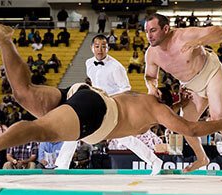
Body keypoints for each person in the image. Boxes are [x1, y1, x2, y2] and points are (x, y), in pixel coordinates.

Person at [0, 21, 222, 177]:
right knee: (42, 129)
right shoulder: (158, 111)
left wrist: (177, 104)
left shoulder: (147, 100)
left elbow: (163, 104)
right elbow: (190, 129)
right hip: (98, 116)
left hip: (84, 95)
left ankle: (5, 41)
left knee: (23, 93)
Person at [144, 14, 222, 182]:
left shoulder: (184, 35)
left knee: (220, 120)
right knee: (185, 124)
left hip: (212, 74)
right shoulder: (151, 54)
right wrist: (152, 87)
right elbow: (150, 76)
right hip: (192, 86)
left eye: (153, 30)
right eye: (147, 31)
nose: (149, 35)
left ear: (165, 29)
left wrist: (199, 42)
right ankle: (202, 158)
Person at [57, 35, 162, 176]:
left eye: (103, 46)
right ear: (92, 48)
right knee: (75, 129)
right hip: (95, 103)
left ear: (108, 48)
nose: (100, 49)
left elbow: (126, 89)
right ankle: (61, 165)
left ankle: (155, 161)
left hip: (114, 107)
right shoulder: (88, 63)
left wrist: (109, 100)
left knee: (126, 139)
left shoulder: (116, 67)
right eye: (97, 46)